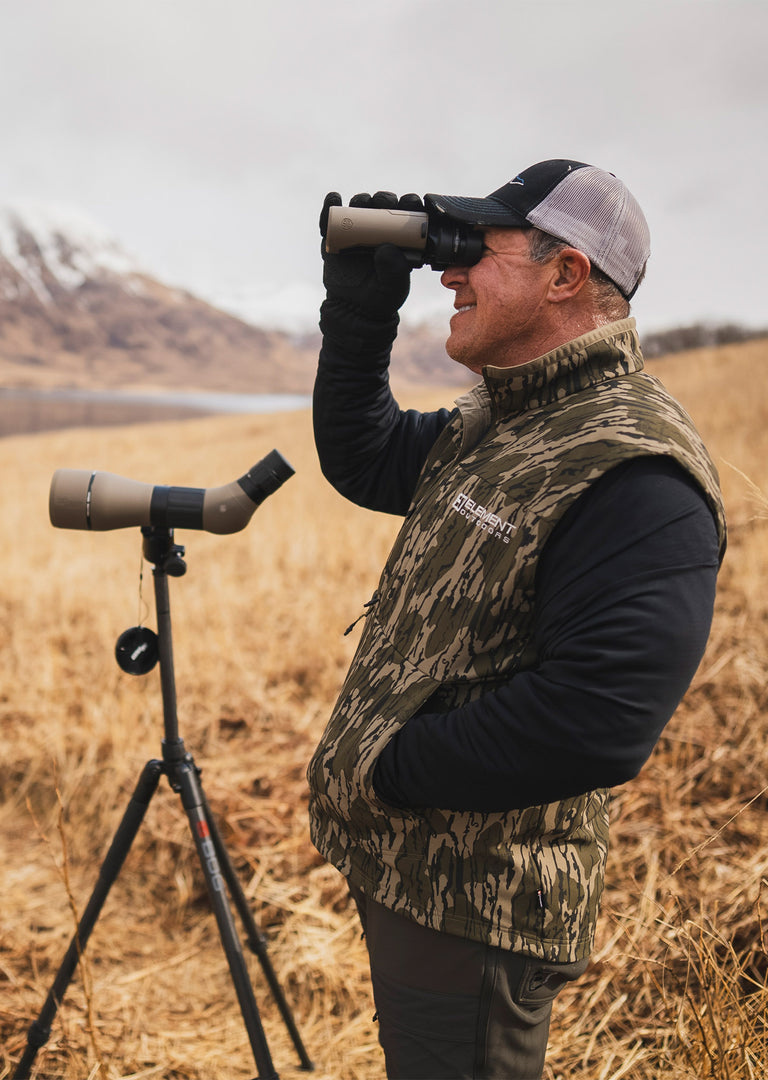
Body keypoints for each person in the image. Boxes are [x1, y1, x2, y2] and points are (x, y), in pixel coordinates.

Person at [306, 160, 726, 1079]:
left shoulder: (634, 469)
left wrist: (386, 769)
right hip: (415, 873)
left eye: (473, 250)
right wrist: (361, 312)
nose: (448, 271)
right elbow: (366, 455)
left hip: (479, 909)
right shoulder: (510, 421)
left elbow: (598, 722)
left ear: (566, 274)